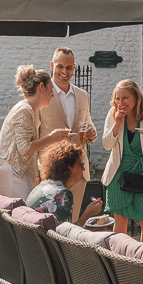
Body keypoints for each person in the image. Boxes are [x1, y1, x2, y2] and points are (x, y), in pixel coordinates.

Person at [100, 79, 143, 242]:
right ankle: (120, 261)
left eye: (125, 98)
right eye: (117, 98)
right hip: (118, 171)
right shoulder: (112, 114)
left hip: (142, 171)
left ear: (136, 98)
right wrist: (117, 123)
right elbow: (107, 145)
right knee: (120, 219)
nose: (120, 103)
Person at [36, 47, 98, 212]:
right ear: (52, 65)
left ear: (74, 67)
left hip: (78, 171)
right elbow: (34, 136)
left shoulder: (83, 95)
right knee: (50, 222)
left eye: (69, 67)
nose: (64, 71)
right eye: (60, 66)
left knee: (74, 220)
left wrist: (92, 134)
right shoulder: (41, 94)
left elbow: (87, 125)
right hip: (51, 171)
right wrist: (36, 171)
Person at [0, 65, 71, 200]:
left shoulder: (32, 110)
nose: (53, 94)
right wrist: (52, 138)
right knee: (19, 215)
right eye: (51, 89)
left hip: (22, 171)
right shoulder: (24, 110)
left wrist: (36, 174)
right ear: (41, 87)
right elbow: (25, 148)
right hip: (14, 173)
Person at [25, 141, 103, 225]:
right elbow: (64, 235)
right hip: (44, 237)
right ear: (69, 169)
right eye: (81, 164)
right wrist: (88, 214)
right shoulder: (61, 194)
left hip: (33, 237)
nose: (83, 169)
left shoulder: (41, 186)